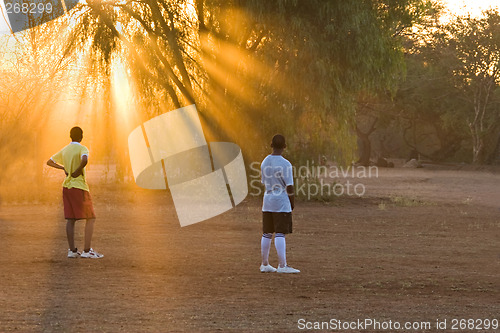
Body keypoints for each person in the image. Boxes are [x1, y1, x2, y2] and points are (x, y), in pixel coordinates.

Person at [47, 127, 103, 259]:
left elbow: (49, 162)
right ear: (81, 136)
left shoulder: (65, 149)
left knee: (70, 219)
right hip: (79, 186)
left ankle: (72, 250)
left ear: (70, 136)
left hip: (67, 186)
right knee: (91, 218)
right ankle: (87, 250)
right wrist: (78, 170)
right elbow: (84, 160)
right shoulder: (83, 148)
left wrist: (63, 168)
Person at [260, 134, 300, 273]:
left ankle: (264, 264)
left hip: (267, 199)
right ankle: (282, 266)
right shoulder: (285, 164)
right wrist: (292, 202)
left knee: (267, 233)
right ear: (285, 146)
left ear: (271, 145)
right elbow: (289, 186)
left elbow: (263, 182)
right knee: (280, 233)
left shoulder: (264, 162)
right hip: (280, 201)